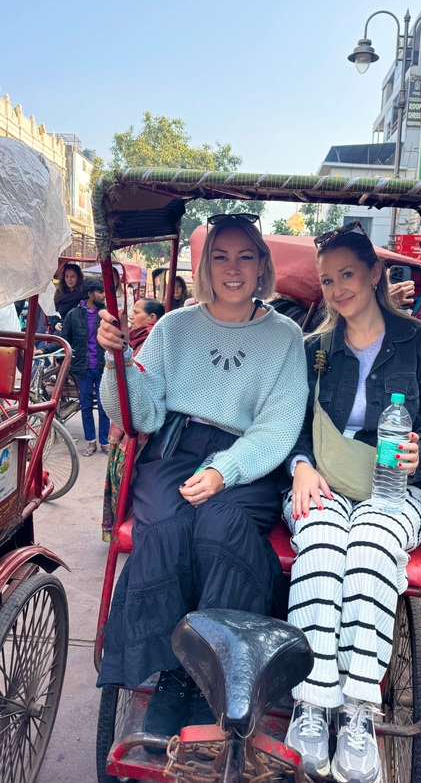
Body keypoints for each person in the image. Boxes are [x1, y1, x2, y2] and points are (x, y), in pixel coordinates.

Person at [96, 213, 308, 741]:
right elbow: (140, 415)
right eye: (220, 256)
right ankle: (172, 675)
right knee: (168, 528)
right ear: (205, 265)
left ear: (262, 265)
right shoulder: (173, 326)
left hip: (249, 460)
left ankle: (218, 680)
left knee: (221, 530)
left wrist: (224, 469)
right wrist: (115, 360)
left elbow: (279, 426)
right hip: (174, 448)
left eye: (244, 257)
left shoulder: (285, 337)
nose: (232, 269)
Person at [282, 223, 421, 783]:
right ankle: (312, 706)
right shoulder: (313, 349)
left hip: (395, 488)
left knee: (371, 544)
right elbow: (287, 426)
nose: (337, 289)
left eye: (348, 275)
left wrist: (419, 453)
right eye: (328, 279)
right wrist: (301, 466)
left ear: (377, 273)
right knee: (320, 541)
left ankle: (359, 713)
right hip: (323, 481)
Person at [102, 297, 165, 542]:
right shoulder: (131, 339)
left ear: (152, 319)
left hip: (138, 427)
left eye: (136, 312)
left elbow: (139, 381)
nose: (132, 315)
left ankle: (130, 531)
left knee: (130, 479)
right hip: (126, 423)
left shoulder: (150, 342)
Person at [62, 278, 109, 457]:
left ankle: (104, 442)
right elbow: (64, 339)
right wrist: (43, 349)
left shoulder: (106, 314)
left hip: (104, 367)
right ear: (90, 294)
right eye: (100, 291)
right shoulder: (73, 314)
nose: (103, 295)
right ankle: (91, 442)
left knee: (105, 406)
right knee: (86, 406)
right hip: (83, 368)